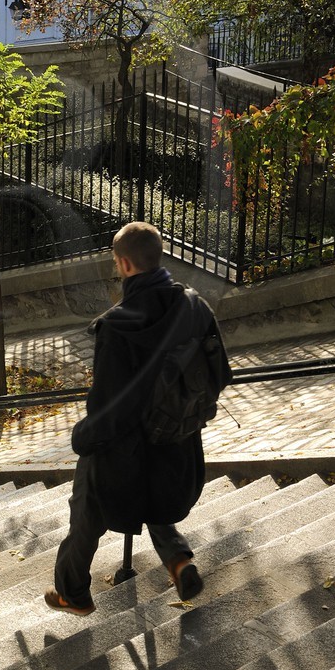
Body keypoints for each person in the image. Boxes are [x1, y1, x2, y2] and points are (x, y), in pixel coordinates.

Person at [46, 220, 230, 616]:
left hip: (123, 450)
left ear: (125, 265)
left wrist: (84, 437)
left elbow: (109, 406)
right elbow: (221, 373)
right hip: (175, 438)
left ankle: (72, 592)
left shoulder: (117, 325)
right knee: (156, 499)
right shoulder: (196, 306)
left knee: (85, 514)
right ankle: (179, 561)